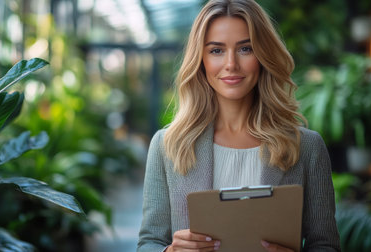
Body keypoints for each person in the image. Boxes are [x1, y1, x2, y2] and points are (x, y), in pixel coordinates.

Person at [137, 0, 341, 251]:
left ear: (263, 56)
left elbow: (326, 245)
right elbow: (149, 243)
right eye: (216, 50)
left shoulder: (307, 147)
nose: (231, 64)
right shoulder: (167, 145)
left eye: (245, 49)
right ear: (200, 59)